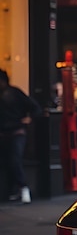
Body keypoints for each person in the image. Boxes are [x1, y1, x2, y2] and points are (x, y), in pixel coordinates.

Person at [0, 69, 42, 203]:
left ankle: (23, 188)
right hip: (9, 131)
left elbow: (35, 108)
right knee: (9, 162)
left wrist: (28, 118)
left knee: (14, 160)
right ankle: (15, 190)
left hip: (16, 131)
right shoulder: (13, 92)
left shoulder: (14, 93)